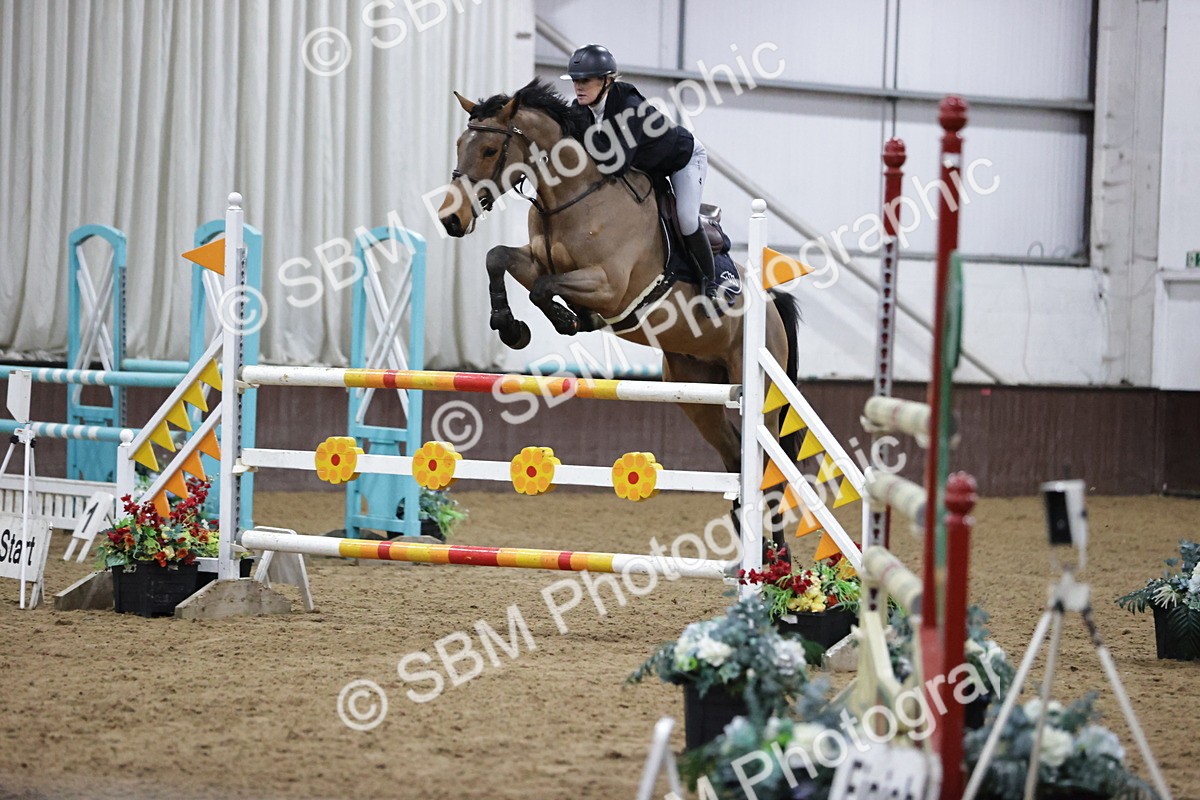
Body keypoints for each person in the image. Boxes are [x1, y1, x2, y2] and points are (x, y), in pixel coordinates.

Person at [562, 44, 735, 305]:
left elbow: (616, 165)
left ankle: (711, 281)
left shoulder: (630, 107)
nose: (578, 87)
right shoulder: (580, 109)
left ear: (607, 81)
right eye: (575, 81)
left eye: (585, 80)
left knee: (686, 220)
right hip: (647, 167)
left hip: (683, 160)